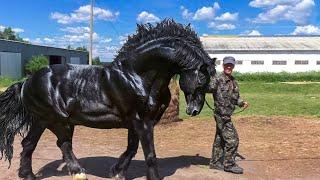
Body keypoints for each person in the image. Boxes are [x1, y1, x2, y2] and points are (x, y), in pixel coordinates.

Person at [206, 56, 249, 174]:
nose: (228, 67)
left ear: (233, 66)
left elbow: (236, 97)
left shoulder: (234, 82)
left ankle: (215, 163)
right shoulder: (217, 79)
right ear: (223, 66)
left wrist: (242, 102)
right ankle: (229, 164)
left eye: (231, 65)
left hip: (227, 115)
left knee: (219, 139)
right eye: (227, 65)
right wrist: (204, 78)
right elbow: (208, 88)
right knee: (233, 140)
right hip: (221, 115)